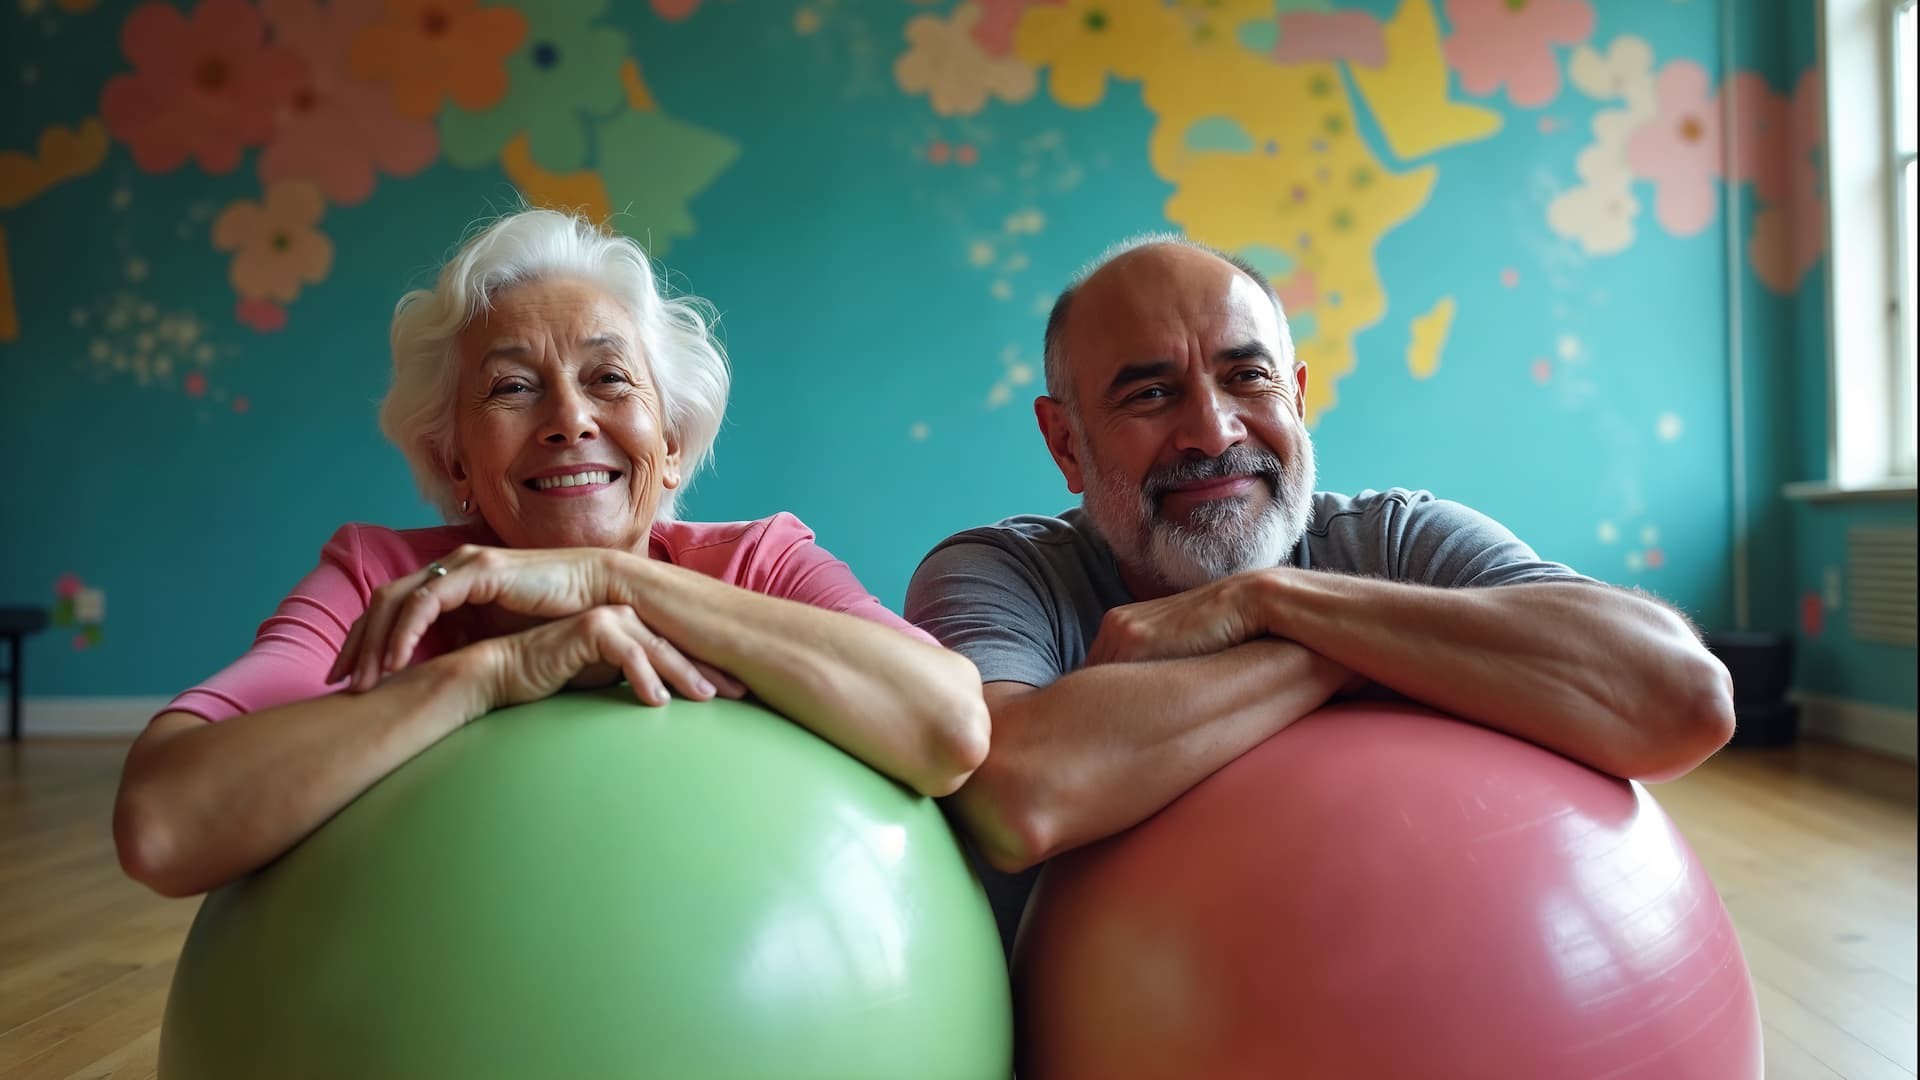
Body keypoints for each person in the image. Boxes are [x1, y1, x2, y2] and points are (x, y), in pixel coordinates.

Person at [115, 209, 989, 899]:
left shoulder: (761, 563)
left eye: (609, 378)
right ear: (453, 458)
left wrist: (615, 580)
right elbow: (162, 825)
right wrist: (487, 676)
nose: (569, 419)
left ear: (673, 440)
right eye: (511, 388)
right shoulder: (385, 579)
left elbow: (949, 726)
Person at [905, 235, 1736, 947]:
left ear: (1297, 399)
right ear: (1067, 443)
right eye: (1151, 393)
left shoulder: (1397, 539)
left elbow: (1683, 697)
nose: (1213, 431)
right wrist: (1367, 659)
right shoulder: (1000, 573)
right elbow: (1018, 797)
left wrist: (1268, 604)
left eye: (1247, 378)